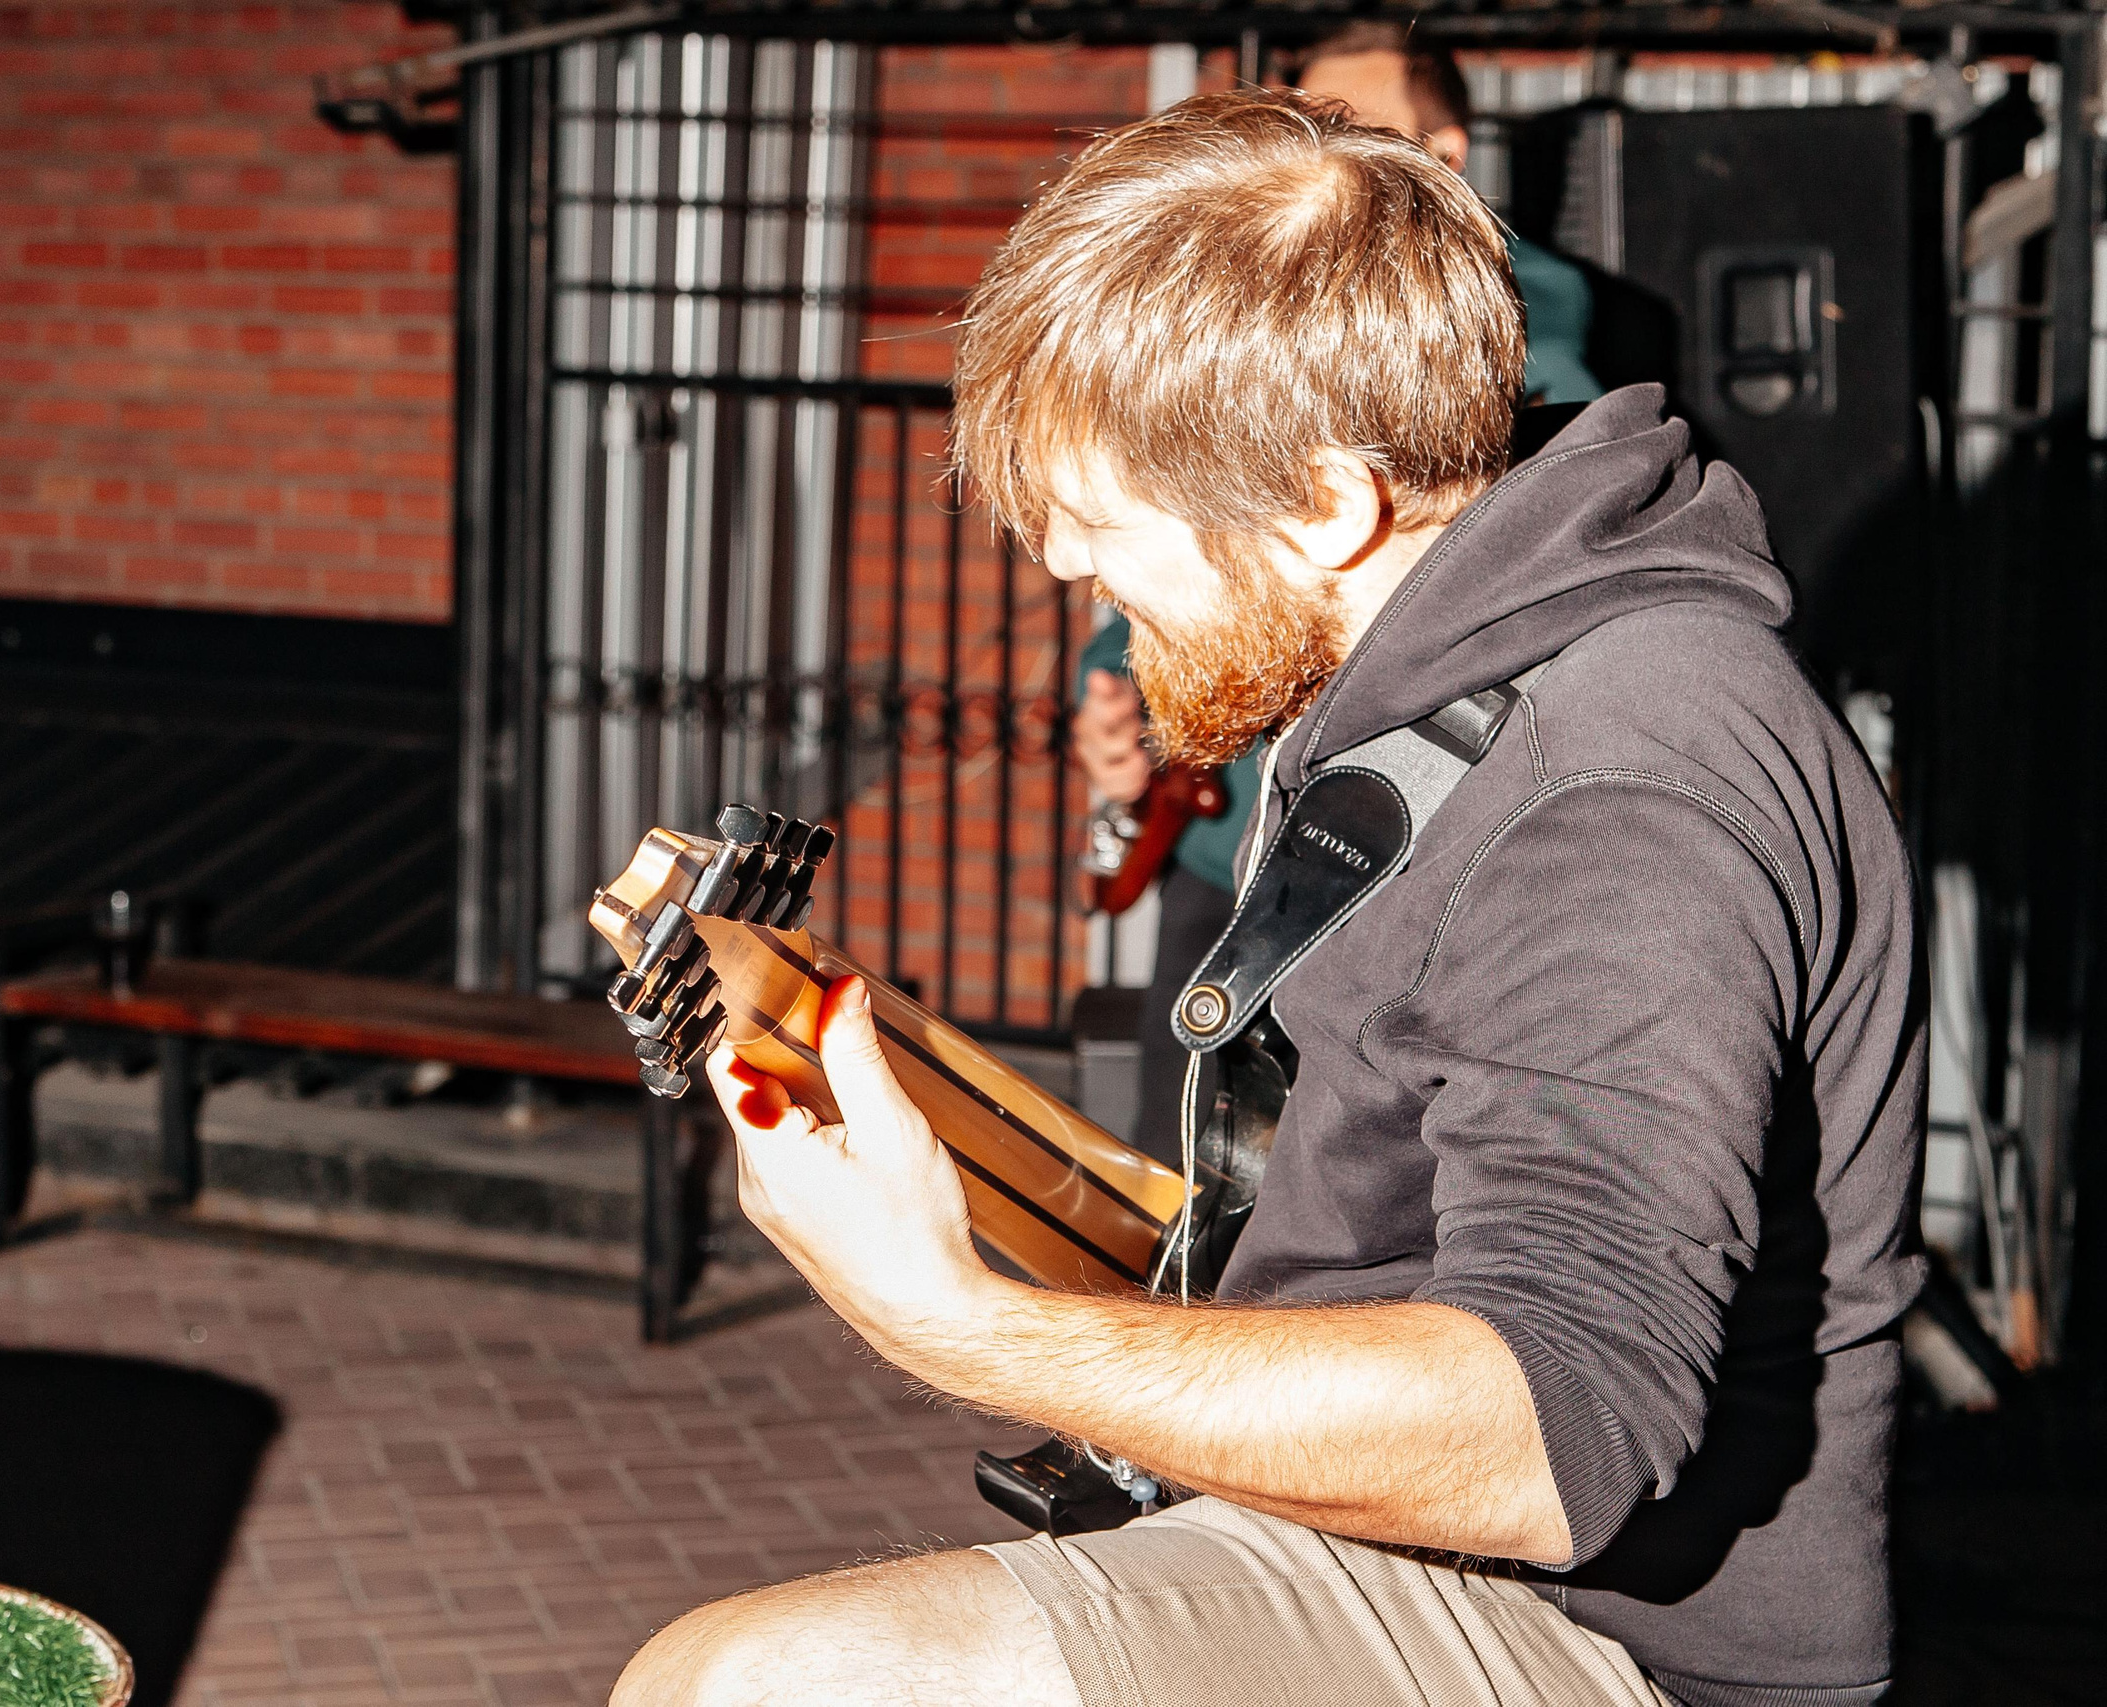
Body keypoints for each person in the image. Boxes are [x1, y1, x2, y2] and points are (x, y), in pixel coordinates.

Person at [616, 87, 1922, 1707]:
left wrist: (951, 1317)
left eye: (1102, 529)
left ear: (1327, 499)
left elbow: (1545, 1432)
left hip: (1616, 1637)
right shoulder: (1445, 650)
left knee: (779, 1686)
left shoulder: (1625, 778)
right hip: (1405, 1552)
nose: (1074, 580)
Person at [1079, 24, 1603, 1167]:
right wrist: (1115, 700)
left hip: (1362, 845)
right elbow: (1196, 529)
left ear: (1444, 153)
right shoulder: (1264, 312)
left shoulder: (1509, 324)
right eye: (1301, 132)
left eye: (1351, 136)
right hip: (1221, 841)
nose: (1316, 169)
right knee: (1169, 1197)